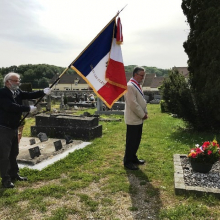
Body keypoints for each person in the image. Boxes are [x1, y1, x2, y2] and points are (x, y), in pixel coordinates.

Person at [0, 72, 51, 188]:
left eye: (19, 80)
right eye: (16, 80)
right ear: (8, 82)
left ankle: (14, 174)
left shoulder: (17, 92)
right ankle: (5, 179)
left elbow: (29, 95)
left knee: (14, 153)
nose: (18, 83)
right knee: (4, 155)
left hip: (13, 127)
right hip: (3, 128)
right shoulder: (2, 93)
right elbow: (10, 106)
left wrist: (42, 92)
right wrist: (27, 108)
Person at [124, 66, 148, 170]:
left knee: (136, 140)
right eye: (141, 75)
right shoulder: (130, 86)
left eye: (144, 75)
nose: (143, 77)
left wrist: (144, 112)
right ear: (135, 74)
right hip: (133, 118)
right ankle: (127, 161)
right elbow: (133, 104)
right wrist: (142, 114)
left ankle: (133, 157)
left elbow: (140, 100)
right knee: (131, 141)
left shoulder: (136, 85)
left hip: (138, 119)